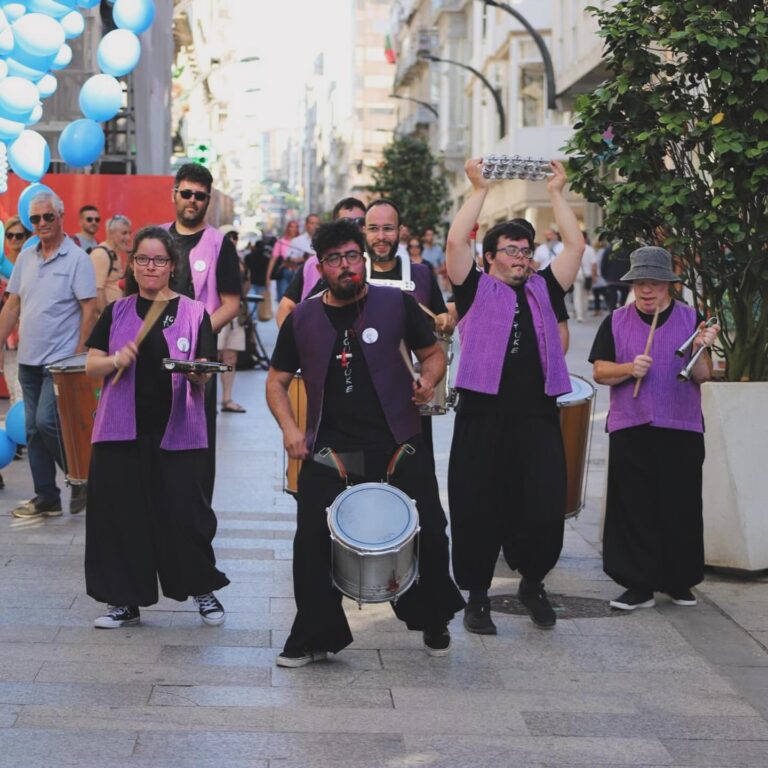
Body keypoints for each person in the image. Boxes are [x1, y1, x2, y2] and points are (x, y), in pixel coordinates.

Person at [266, 220, 464, 667]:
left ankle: (433, 618)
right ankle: (315, 635)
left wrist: (427, 381)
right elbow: (276, 383)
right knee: (310, 540)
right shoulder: (302, 319)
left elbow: (433, 353)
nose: (346, 266)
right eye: (335, 259)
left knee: (431, 530)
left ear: (364, 259)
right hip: (332, 451)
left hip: (398, 444)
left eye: (353, 256)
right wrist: (290, 429)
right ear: (320, 268)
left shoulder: (396, 304)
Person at [445, 158, 584, 633]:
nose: (522, 256)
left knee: (545, 505)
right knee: (479, 505)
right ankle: (478, 597)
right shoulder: (474, 288)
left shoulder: (546, 287)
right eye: (511, 249)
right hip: (483, 415)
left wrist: (558, 192)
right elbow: (453, 242)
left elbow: (575, 245)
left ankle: (532, 583)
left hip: (538, 416)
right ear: (490, 257)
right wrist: (479, 190)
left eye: (526, 249)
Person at [84, 226, 228, 629]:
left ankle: (202, 589)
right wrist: (114, 361)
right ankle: (124, 601)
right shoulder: (117, 310)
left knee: (185, 514)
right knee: (123, 516)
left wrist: (198, 376)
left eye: (159, 260)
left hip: (178, 431)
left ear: (171, 266)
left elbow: (205, 369)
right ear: (133, 264)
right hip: (120, 432)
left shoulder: (194, 313)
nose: (151, 266)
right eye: (144, 259)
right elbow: (90, 364)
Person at [589, 246, 718, 611]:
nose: (647, 291)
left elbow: (703, 375)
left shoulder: (692, 319)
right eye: (641, 284)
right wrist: (629, 368)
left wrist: (699, 348)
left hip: (681, 425)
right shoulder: (615, 320)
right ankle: (638, 585)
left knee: (681, 506)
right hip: (632, 424)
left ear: (669, 286)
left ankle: (679, 581)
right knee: (634, 508)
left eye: (655, 284)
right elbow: (600, 371)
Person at [125, 163, 242, 502]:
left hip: (197, 361)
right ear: (174, 194)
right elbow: (131, 297)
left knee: (196, 441)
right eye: (186, 193)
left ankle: (193, 511)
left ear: (209, 201)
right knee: (148, 434)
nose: (192, 201)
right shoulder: (154, 239)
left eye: (200, 196)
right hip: (149, 357)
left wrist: (197, 336)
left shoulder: (221, 245)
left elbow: (231, 304)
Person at [0, 191, 97, 518]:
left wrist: (79, 357)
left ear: (61, 216)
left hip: (59, 364)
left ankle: (82, 476)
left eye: (47, 217)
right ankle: (47, 497)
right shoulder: (26, 258)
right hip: (28, 360)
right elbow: (12, 304)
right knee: (31, 430)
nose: (41, 223)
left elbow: (89, 310)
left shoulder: (77, 259)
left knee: (45, 422)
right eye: (35, 219)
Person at [276, 198, 366, 326]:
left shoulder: (380, 264)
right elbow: (286, 307)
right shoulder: (313, 264)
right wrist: (294, 342)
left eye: (360, 222)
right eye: (345, 222)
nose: (353, 227)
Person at [218, 243, 250, 414]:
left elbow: (246, 286)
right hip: (217, 311)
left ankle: (227, 398)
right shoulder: (214, 256)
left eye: (235, 236)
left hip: (236, 314)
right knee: (210, 357)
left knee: (231, 357)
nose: (232, 240)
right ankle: (204, 400)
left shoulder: (240, 262)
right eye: (228, 237)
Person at [90, 214, 132, 313]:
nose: (128, 238)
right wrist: (106, 320)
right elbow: (97, 290)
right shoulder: (101, 254)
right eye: (124, 233)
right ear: (111, 233)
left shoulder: (114, 254)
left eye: (129, 233)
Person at [267, 220, 300, 302]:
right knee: (282, 299)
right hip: (285, 273)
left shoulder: (301, 241)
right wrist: (267, 277)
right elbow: (273, 260)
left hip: (298, 273)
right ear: (287, 228)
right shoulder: (281, 242)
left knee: (296, 301)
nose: (293, 229)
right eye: (291, 227)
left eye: (296, 227)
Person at [572, 231, 597, 323]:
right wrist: (594, 276)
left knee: (577, 295)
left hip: (577, 274)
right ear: (586, 238)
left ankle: (579, 315)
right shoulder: (590, 249)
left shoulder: (575, 249)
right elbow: (594, 265)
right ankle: (584, 314)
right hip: (587, 275)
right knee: (585, 295)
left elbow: (572, 264)